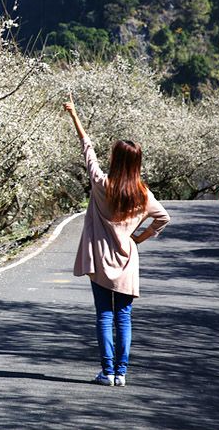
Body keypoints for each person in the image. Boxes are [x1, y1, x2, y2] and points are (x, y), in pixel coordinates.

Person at [63, 93, 170, 387]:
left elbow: (88, 151)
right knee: (124, 317)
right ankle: (121, 373)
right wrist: (139, 238)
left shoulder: (102, 185)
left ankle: (107, 371)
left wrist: (74, 114)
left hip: (100, 261)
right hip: (126, 262)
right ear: (137, 163)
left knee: (104, 316)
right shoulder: (143, 194)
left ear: (116, 160)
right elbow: (164, 218)